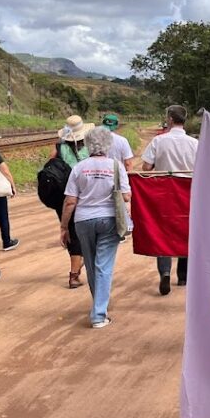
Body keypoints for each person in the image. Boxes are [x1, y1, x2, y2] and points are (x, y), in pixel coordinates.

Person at [59, 127, 130, 329]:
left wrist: (64, 227)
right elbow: (126, 197)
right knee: (104, 266)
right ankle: (99, 314)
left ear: (88, 145)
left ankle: (98, 305)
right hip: (109, 220)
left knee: (91, 265)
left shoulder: (79, 168)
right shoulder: (116, 166)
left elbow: (70, 201)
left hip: (83, 221)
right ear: (108, 145)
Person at [140, 104, 198, 295]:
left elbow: (146, 168)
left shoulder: (159, 141)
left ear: (170, 119)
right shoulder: (194, 143)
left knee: (162, 230)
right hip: (188, 191)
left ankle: (165, 272)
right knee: (186, 229)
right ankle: (183, 276)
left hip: (164, 190)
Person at [55, 115, 93, 289]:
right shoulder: (90, 148)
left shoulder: (58, 148)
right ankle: (83, 265)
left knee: (72, 232)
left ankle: (74, 274)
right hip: (89, 194)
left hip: (66, 195)